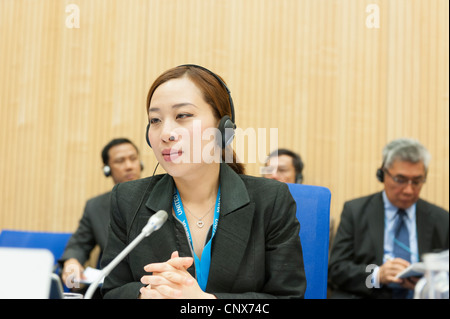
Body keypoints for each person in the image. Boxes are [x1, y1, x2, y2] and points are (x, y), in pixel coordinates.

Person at [100, 65, 306, 299]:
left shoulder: (271, 200)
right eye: (155, 120)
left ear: (224, 128)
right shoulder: (128, 200)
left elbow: (288, 297)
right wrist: (145, 295)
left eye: (183, 116)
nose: (166, 133)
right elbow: (110, 291)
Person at [328, 138, 449, 299]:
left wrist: (427, 280)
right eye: (400, 180)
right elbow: (336, 269)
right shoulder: (355, 211)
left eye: (417, 181)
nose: (409, 190)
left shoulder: (440, 218)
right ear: (382, 174)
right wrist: (376, 275)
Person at [60, 138, 143, 291]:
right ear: (107, 169)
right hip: (115, 288)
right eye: (120, 161)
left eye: (133, 159)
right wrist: (71, 261)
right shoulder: (95, 207)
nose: (129, 166)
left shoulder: (159, 196)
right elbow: (79, 244)